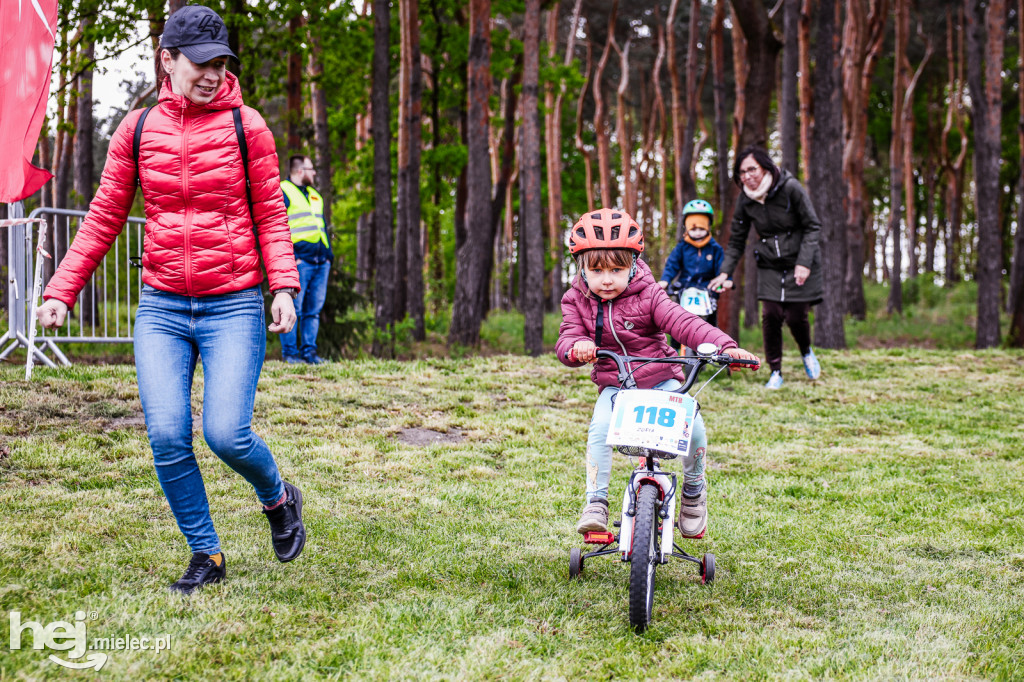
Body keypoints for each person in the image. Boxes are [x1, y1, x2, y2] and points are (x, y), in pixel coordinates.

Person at [36, 5, 307, 595]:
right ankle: (205, 554)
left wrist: (282, 286)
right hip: (161, 306)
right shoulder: (136, 130)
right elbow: (104, 215)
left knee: (227, 433)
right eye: (201, 62)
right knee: (165, 435)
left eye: (221, 63)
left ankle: (279, 496)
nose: (212, 74)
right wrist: (62, 290)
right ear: (168, 60)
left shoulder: (248, 126)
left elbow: (271, 212)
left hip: (233, 303)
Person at [556, 208, 760, 539]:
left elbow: (684, 321)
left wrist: (725, 346)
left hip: (661, 379)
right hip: (615, 385)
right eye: (596, 270)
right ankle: (596, 503)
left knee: (693, 427)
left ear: (634, 266)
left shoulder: (650, 294)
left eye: (617, 270)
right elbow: (567, 336)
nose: (607, 279)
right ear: (581, 267)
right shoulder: (575, 300)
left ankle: (694, 490)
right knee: (599, 430)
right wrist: (576, 345)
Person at [709, 147, 823, 389]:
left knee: (795, 317)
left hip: (799, 260)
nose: (748, 176)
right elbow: (737, 239)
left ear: (765, 167)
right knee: (770, 316)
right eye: (742, 172)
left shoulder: (790, 187)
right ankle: (776, 371)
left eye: (752, 169)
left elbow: (812, 226)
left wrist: (804, 263)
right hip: (770, 264)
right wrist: (724, 272)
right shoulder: (745, 200)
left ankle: (806, 352)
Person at [280, 155, 333, 364]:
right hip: (300, 261)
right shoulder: (283, 190)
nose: (314, 173)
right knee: (293, 309)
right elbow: (276, 227)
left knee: (313, 311)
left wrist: (329, 257)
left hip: (321, 262)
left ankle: (309, 354)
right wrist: (293, 257)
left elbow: (322, 227)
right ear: (300, 171)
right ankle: (291, 355)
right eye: (311, 169)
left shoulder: (315, 196)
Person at [659, 199, 729, 350]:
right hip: (685, 287)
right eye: (694, 228)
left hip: (707, 289)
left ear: (708, 227)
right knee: (677, 321)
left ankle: (712, 350)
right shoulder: (682, 247)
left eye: (701, 228)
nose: (697, 232)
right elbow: (672, 265)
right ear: (687, 227)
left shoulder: (715, 249)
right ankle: (675, 350)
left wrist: (725, 280)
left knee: (710, 323)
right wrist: (665, 280)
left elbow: (722, 269)